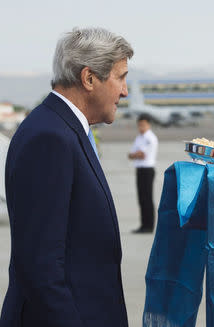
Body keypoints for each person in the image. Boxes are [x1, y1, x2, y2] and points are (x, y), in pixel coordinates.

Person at [0, 27, 133, 327]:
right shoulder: (50, 137)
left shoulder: (65, 128)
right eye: (120, 77)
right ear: (88, 79)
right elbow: (40, 267)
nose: (125, 91)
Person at [128, 113, 158, 233]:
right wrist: (134, 155)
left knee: (147, 198)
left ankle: (149, 226)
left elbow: (140, 154)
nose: (141, 127)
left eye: (143, 125)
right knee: (141, 198)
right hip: (140, 169)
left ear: (149, 125)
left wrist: (134, 155)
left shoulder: (150, 138)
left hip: (147, 169)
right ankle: (143, 224)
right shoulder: (139, 137)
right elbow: (132, 154)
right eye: (139, 125)